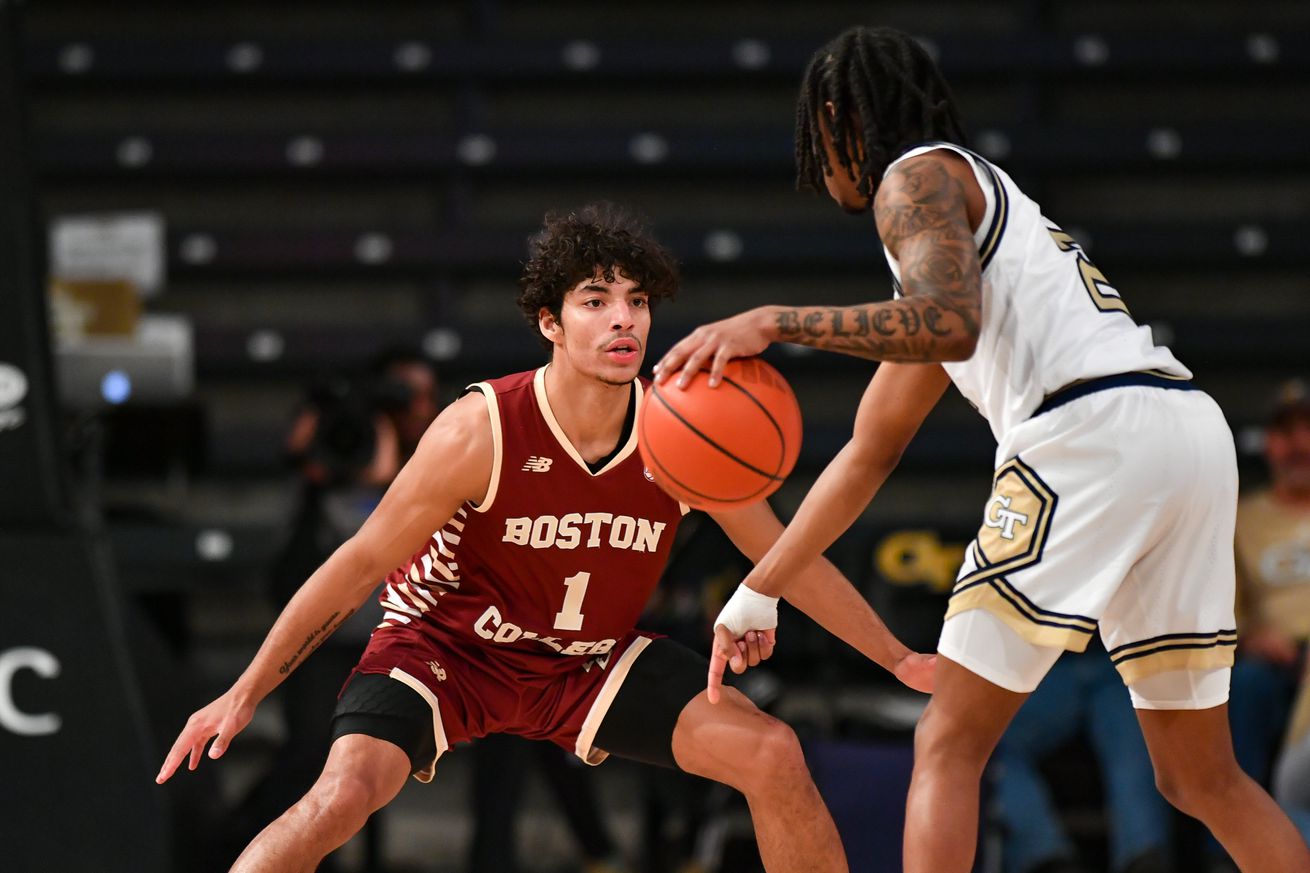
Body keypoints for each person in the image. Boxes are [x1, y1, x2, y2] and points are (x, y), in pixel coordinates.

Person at [653, 25, 1310, 873]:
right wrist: (758, 592)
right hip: (1185, 432)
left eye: (817, 145)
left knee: (948, 743)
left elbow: (944, 323)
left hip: (1089, 435)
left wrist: (774, 320)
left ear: (836, 118)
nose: (818, 171)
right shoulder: (981, 233)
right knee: (1201, 775)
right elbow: (867, 450)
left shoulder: (916, 177)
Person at [156, 202, 935, 873]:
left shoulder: (681, 434)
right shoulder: (479, 430)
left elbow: (786, 558)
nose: (624, 317)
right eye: (596, 301)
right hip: (447, 650)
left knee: (773, 753)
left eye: (636, 300)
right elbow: (360, 562)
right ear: (550, 322)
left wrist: (897, 657)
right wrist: (243, 691)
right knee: (341, 796)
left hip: (586, 662)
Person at [992, 641, 1173, 873]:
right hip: (1037, 667)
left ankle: (1144, 859)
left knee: (1143, 736)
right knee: (984, 739)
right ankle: (1044, 860)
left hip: (1123, 663)